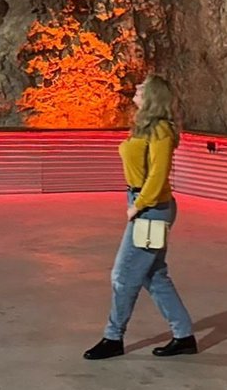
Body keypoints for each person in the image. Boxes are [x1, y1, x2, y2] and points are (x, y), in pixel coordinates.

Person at [84, 74, 197, 360]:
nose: (135, 88)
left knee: (123, 275)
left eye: (142, 88)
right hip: (144, 203)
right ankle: (183, 335)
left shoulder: (160, 130)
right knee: (154, 275)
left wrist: (138, 205)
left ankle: (113, 338)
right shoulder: (145, 128)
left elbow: (158, 176)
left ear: (153, 96)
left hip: (152, 208)